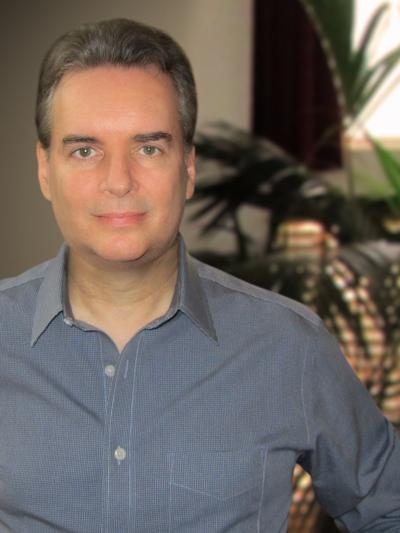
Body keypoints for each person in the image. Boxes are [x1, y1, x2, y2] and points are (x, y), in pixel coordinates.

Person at [0, 18, 399, 533]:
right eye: (85, 150)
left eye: (149, 148)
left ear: (187, 168)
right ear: (44, 169)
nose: (118, 181)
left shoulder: (287, 345)